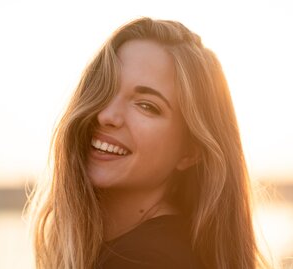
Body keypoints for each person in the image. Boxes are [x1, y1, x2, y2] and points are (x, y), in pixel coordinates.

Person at [29, 17, 270, 269]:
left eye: (146, 106)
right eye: (103, 88)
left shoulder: (144, 260)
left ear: (191, 150)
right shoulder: (169, 247)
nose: (106, 115)